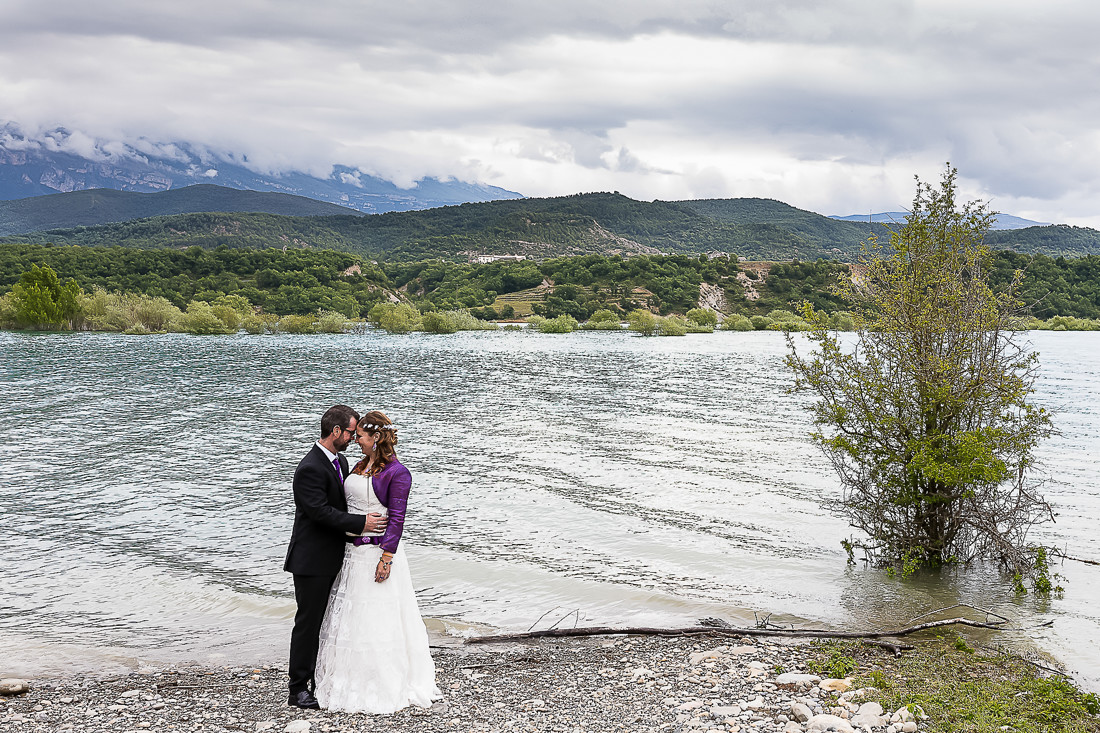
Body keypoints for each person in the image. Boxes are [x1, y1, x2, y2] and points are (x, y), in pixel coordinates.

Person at [313, 410, 441, 713]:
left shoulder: (398, 473)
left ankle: (381, 681)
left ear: (376, 438)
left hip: (375, 554)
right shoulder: (358, 464)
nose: (356, 440)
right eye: (354, 435)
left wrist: (386, 558)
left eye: (361, 436)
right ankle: (346, 677)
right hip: (352, 554)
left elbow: (396, 519)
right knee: (350, 618)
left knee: (378, 619)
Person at [284, 405, 388, 710]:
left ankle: (324, 680)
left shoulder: (340, 461)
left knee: (330, 622)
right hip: (311, 560)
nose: (354, 438)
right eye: (351, 432)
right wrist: (362, 524)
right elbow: (319, 513)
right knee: (309, 623)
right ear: (336, 432)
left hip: (337, 555)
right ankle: (297, 688)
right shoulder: (309, 468)